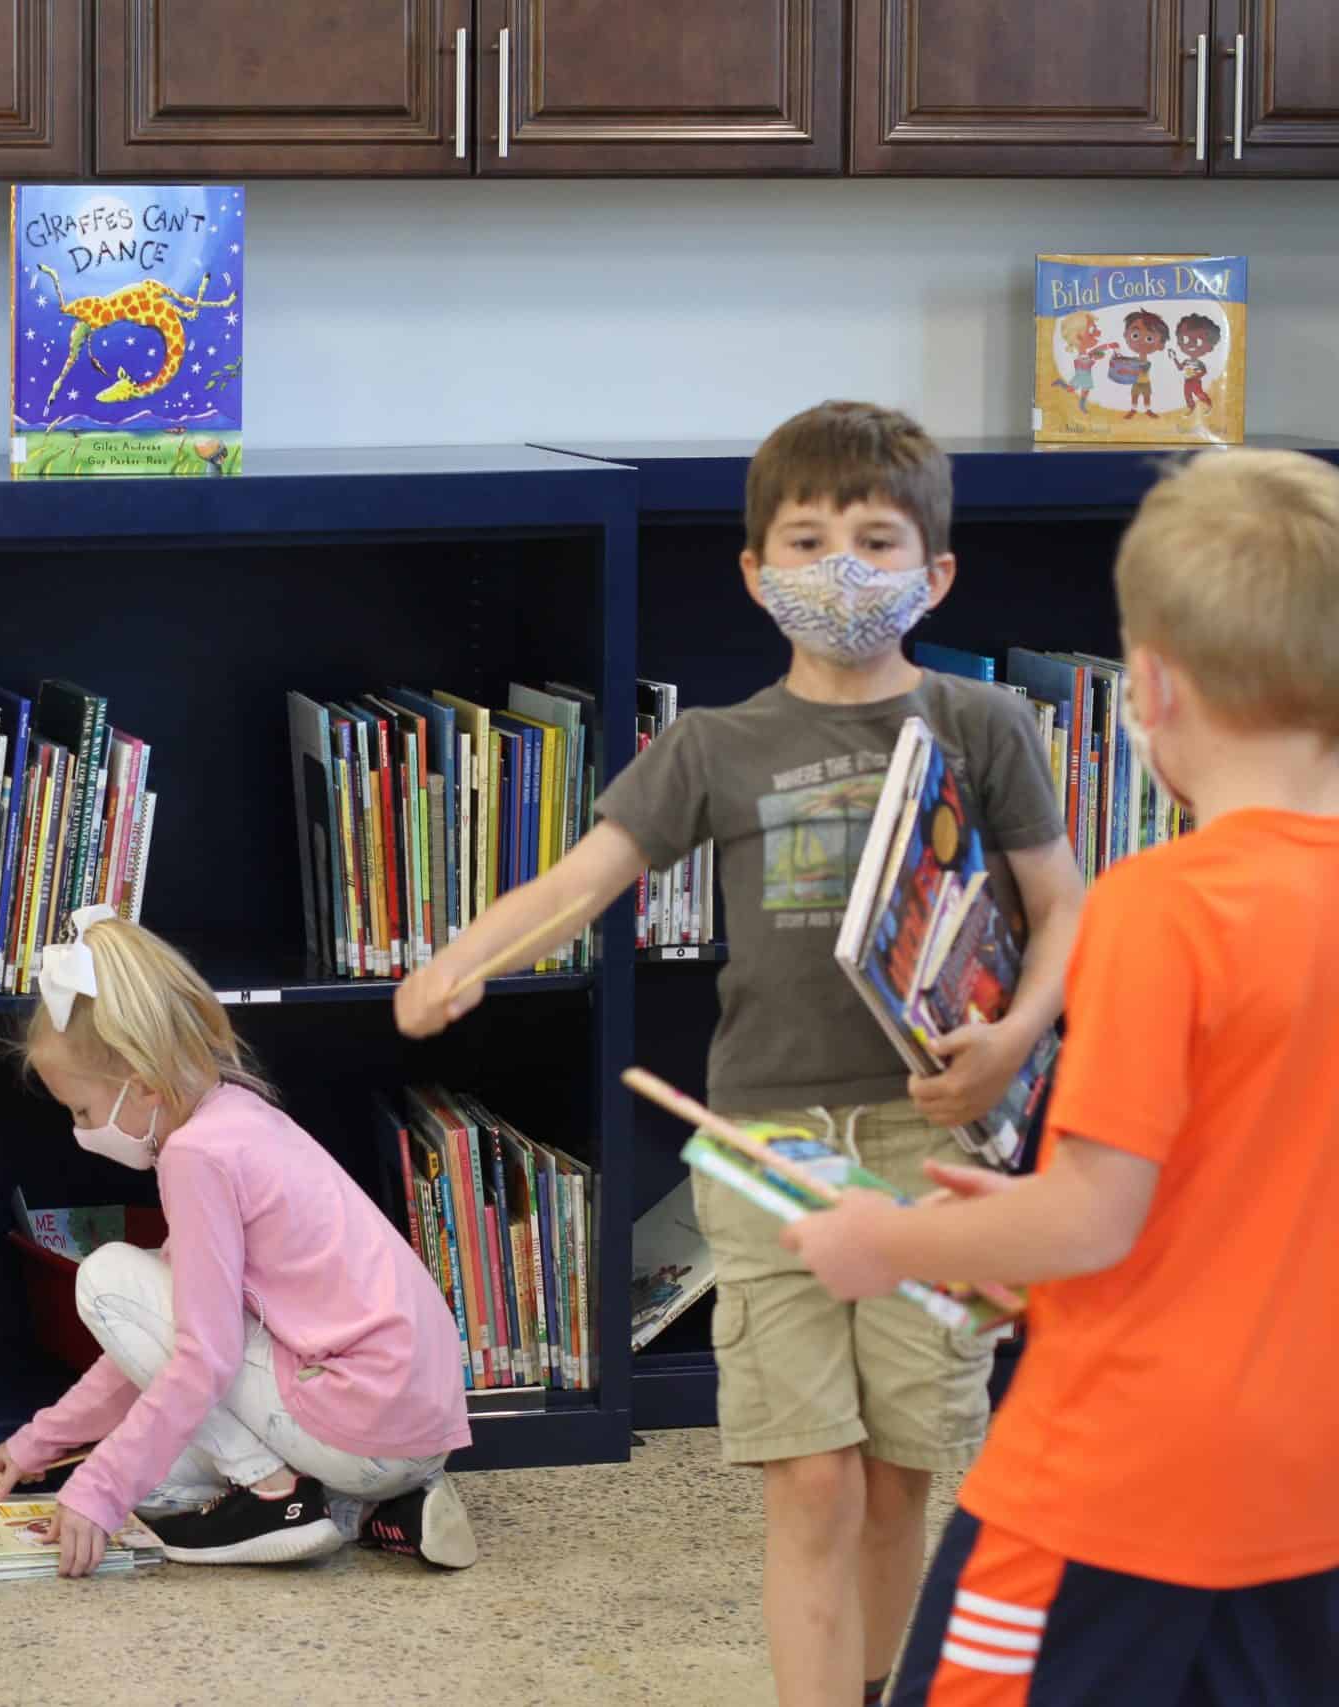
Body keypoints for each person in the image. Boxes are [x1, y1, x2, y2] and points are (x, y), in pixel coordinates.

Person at [397, 401, 1085, 1707]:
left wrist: (1013, 1040)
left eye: (876, 541)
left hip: (933, 1145)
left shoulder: (983, 723)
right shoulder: (713, 745)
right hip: (767, 1150)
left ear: (936, 573)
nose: (842, 568)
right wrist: (462, 957)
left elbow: (1063, 907)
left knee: (896, 1475)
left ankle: (876, 1684)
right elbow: (582, 879)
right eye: (808, 541)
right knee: (810, 1476)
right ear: (756, 572)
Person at [785, 448, 1339, 1706]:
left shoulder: (1160, 907)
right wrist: (1022, 1232)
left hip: (1113, 1480)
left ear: (1152, 688)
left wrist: (886, 1241)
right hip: (1306, 1488)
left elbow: (1092, 1216)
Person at [0, 905, 478, 1575]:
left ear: (142, 1083)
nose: (80, 1131)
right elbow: (153, 1340)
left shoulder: (194, 1158)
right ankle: (382, 1508)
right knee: (156, 1482)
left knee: (104, 1280)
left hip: (358, 1421)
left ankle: (275, 1495)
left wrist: (98, 1490)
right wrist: (42, 1442)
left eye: (82, 1110)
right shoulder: (238, 1116)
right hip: (413, 1428)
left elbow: (198, 1355)